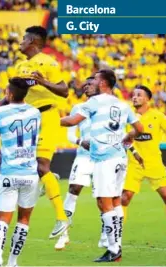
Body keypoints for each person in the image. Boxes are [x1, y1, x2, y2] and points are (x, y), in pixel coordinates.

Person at [0, 26, 70, 238]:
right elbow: (14, 93)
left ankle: (62, 219)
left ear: (32, 41)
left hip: (46, 116)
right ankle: (48, 180)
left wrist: (43, 82)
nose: (19, 42)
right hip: (28, 118)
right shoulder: (20, 66)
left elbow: (64, 91)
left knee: (41, 165)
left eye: (23, 39)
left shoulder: (48, 63)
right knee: (39, 168)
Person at [60, 69, 144, 262]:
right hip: (120, 157)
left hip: (104, 158)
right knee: (115, 201)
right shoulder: (122, 104)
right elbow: (139, 129)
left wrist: (46, 120)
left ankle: (114, 250)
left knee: (103, 202)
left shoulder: (94, 102)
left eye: (96, 79)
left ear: (104, 83)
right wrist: (126, 138)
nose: (92, 82)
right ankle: (116, 246)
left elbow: (72, 121)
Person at [121, 85, 166, 243]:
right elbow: (124, 140)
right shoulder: (127, 116)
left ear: (147, 99)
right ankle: (116, 237)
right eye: (133, 94)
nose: (134, 97)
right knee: (124, 198)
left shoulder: (158, 116)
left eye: (138, 95)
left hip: (154, 164)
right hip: (134, 165)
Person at [0, 78, 41, 267]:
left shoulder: (0, 112)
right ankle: (13, 261)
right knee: (24, 219)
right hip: (30, 173)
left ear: (9, 94)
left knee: (3, 219)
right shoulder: (36, 113)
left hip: (9, 172)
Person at [54, 77, 95, 250]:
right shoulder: (78, 108)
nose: (87, 87)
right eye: (85, 85)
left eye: (90, 84)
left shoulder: (111, 107)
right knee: (73, 191)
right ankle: (64, 234)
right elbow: (70, 135)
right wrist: (80, 141)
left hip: (105, 158)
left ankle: (109, 238)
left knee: (106, 198)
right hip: (84, 156)